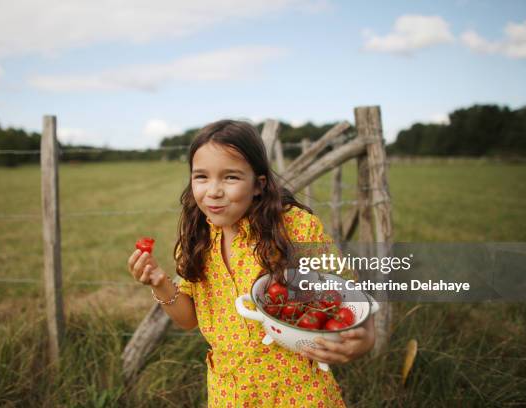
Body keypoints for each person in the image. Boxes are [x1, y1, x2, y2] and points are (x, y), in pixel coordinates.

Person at [128, 119, 375, 407]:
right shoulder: (197, 239)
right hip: (230, 394)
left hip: (298, 393)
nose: (213, 191)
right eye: (201, 177)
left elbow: (349, 299)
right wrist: (159, 282)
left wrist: (364, 339)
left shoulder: (295, 227)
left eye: (230, 177)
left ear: (258, 185)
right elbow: (188, 319)